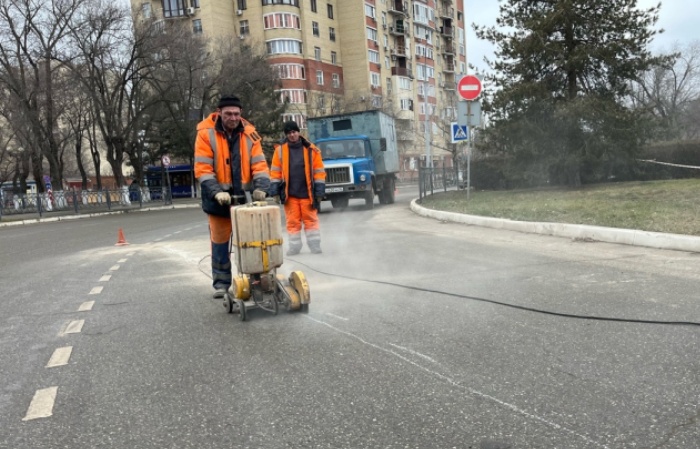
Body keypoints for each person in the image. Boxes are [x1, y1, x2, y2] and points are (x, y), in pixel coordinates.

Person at [194, 95, 270, 298]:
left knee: (252, 239)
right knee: (220, 242)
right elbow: (202, 168)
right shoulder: (205, 133)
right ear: (219, 113)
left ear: (241, 113)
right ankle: (221, 283)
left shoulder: (250, 134)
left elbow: (260, 164)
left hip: (245, 199)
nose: (233, 118)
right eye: (228, 113)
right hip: (217, 199)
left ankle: (256, 279)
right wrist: (216, 191)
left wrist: (261, 187)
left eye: (237, 113)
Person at [269, 120, 326, 255]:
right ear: (286, 135)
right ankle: (294, 247)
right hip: (291, 194)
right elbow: (275, 172)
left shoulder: (311, 150)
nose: (292, 135)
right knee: (292, 222)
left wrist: (319, 192)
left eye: (294, 132)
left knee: (310, 221)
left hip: (307, 194)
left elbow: (319, 172)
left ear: (298, 132)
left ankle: (314, 246)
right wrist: (275, 192)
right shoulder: (280, 151)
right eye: (289, 133)